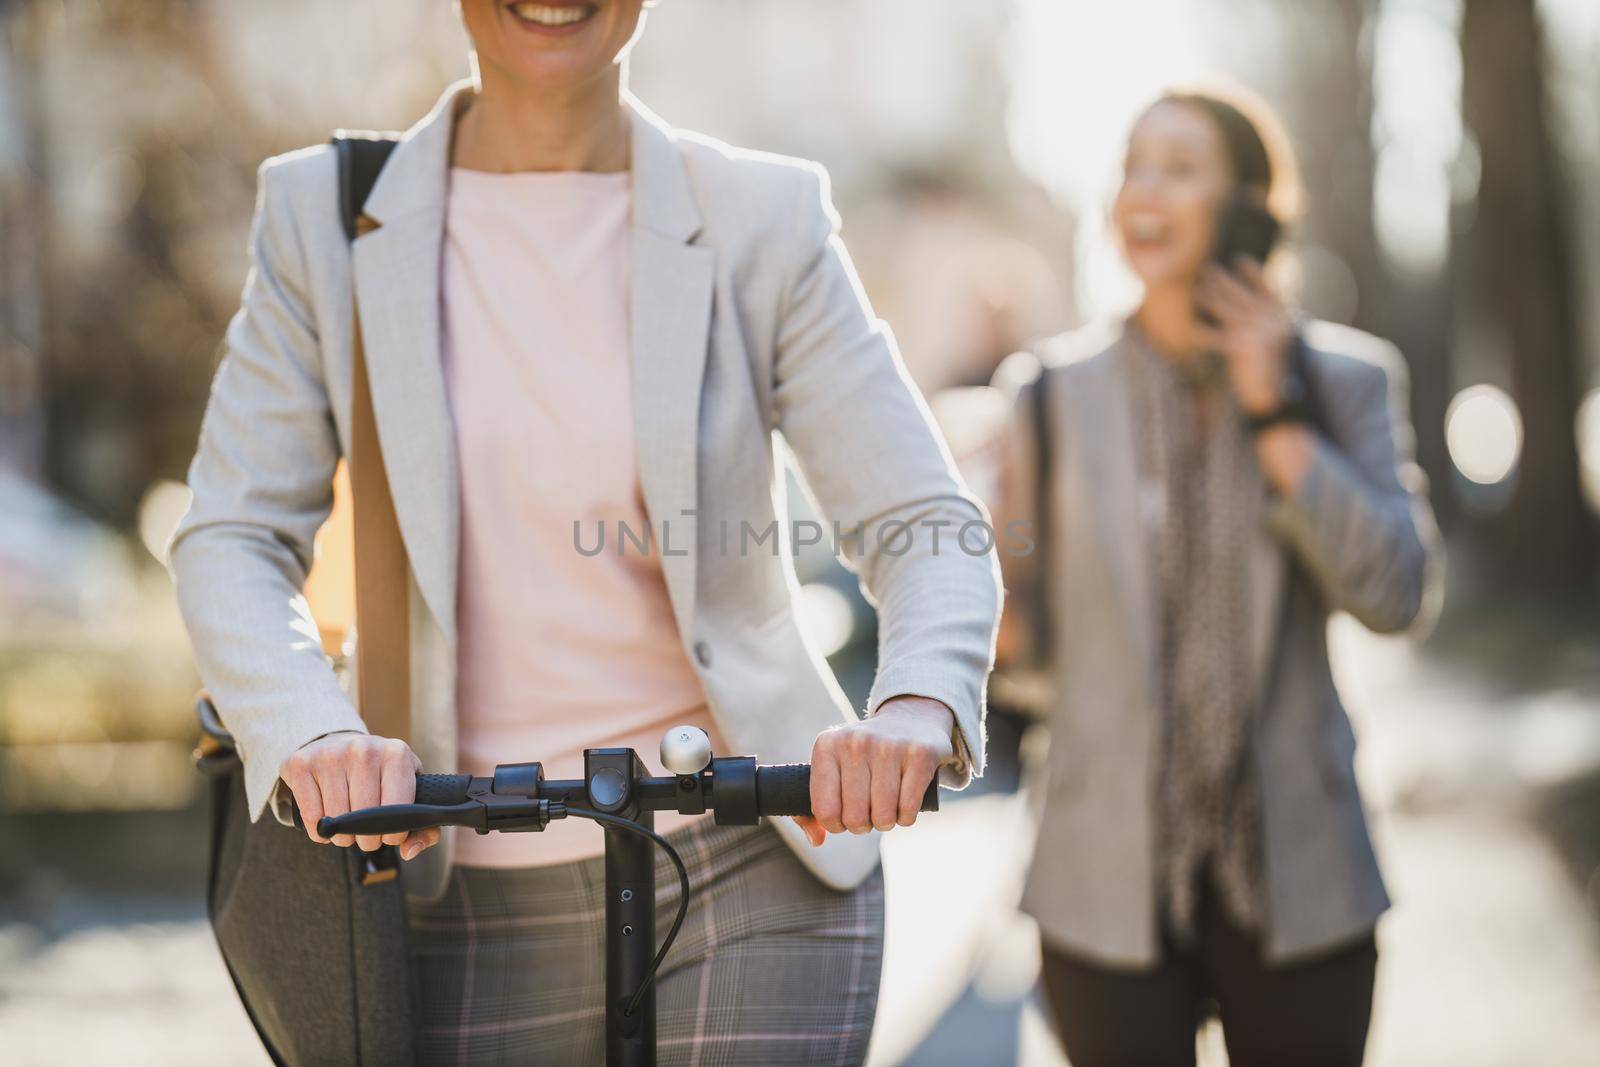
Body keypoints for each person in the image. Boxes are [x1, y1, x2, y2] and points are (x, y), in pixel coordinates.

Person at [168, 1, 1001, 1061]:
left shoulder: (761, 215)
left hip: (749, 851)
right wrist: (310, 727)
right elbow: (231, 533)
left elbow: (923, 518)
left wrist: (919, 699)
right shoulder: (326, 217)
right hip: (446, 882)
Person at [992, 86, 1440, 1067]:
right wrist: (990, 614)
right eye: (1131, 164)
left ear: (1247, 207)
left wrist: (1274, 414)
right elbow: (1021, 656)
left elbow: (1397, 593)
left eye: (1179, 167)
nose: (1142, 189)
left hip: (1301, 875)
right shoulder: (1047, 398)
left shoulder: (1344, 381)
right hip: (1100, 882)